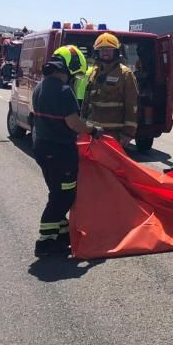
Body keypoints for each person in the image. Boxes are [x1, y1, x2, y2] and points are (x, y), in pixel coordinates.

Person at [32, 51, 103, 257]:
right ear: (68, 71)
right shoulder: (63, 91)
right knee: (63, 197)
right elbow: (73, 123)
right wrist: (93, 130)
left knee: (57, 191)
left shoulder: (39, 87)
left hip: (43, 149)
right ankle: (45, 242)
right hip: (60, 153)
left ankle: (62, 235)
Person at [81, 32, 139, 147]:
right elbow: (86, 100)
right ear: (97, 52)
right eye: (102, 50)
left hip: (114, 135)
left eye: (109, 49)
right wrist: (82, 125)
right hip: (92, 132)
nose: (105, 53)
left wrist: (128, 133)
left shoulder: (125, 74)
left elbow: (132, 105)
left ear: (116, 51)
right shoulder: (94, 72)